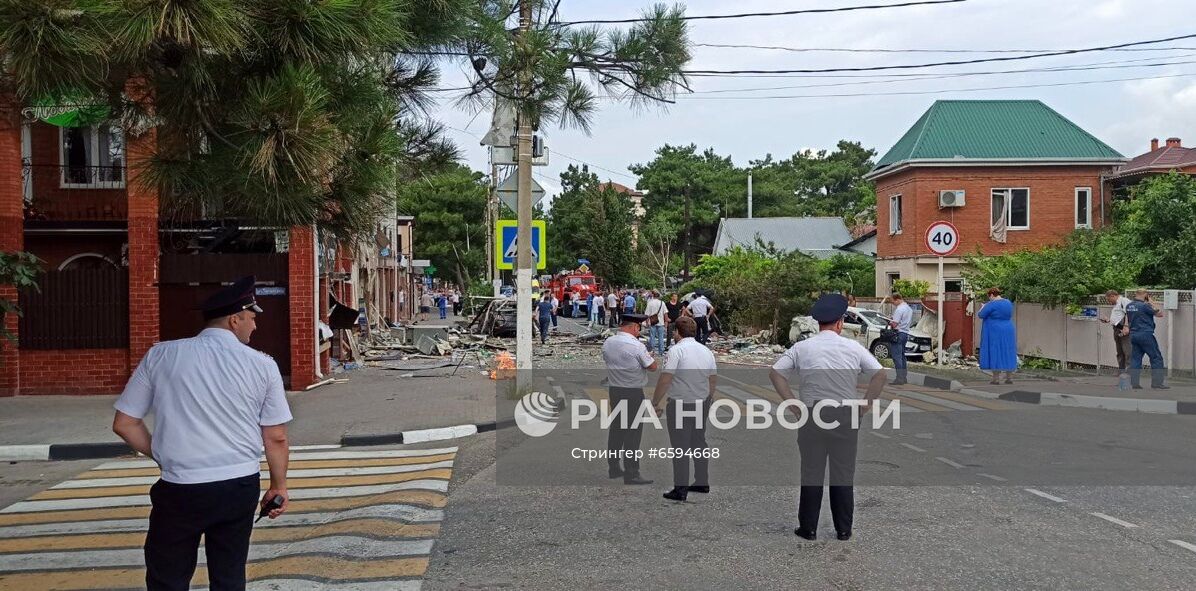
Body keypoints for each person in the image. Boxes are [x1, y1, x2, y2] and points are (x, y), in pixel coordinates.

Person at [112, 276, 291, 590]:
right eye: (251, 318)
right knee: (229, 575)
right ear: (234, 320)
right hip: (238, 486)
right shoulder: (262, 365)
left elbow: (124, 423)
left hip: (180, 488)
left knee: (167, 577)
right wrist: (279, 486)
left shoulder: (161, 355)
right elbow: (275, 437)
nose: (255, 326)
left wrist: (165, 454)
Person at [768, 293, 886, 542]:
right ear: (841, 322)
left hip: (812, 415)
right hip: (845, 414)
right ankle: (844, 529)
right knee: (843, 473)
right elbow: (879, 375)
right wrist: (865, 405)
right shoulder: (853, 347)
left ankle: (808, 528)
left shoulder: (802, 347)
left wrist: (794, 405)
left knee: (811, 472)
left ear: (818, 323)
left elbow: (776, 374)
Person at [650, 316, 717, 501]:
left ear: (677, 333)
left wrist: (655, 401)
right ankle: (702, 481)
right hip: (701, 402)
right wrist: (709, 398)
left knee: (680, 447)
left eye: (673, 332)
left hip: (680, 404)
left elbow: (666, 378)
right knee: (698, 442)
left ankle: (680, 489)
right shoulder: (706, 351)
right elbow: (712, 378)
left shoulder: (676, 351)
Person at [601, 312, 657, 485]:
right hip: (633, 393)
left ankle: (614, 467)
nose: (639, 332)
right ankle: (632, 472)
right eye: (638, 329)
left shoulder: (608, 342)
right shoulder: (636, 346)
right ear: (634, 327)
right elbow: (653, 367)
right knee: (633, 433)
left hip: (615, 391)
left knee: (617, 429)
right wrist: (650, 356)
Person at [1126, 289, 1168, 390]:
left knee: (1136, 359)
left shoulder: (1129, 306)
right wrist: (1152, 302)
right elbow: (1160, 314)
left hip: (1134, 335)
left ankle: (1134, 383)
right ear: (1145, 295)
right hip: (1145, 334)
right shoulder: (1145, 306)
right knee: (1156, 358)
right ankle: (1157, 383)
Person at [977, 288, 1017, 385]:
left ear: (991, 295)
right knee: (1008, 351)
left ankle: (996, 379)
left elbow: (981, 315)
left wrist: (983, 307)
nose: (989, 298)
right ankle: (1009, 377)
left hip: (995, 330)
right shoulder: (1008, 302)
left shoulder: (991, 304)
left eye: (989, 296)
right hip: (1008, 329)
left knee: (996, 351)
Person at [1101, 289, 1132, 373]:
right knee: (1120, 352)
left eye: (1109, 299)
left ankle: (1129, 372)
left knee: (1127, 351)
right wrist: (1108, 320)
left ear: (1113, 296)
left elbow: (1129, 313)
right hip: (1117, 328)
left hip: (1123, 329)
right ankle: (1121, 370)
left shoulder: (1124, 301)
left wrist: (1126, 326)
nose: (1109, 301)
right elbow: (1117, 318)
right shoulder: (1116, 304)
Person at [888, 293, 913, 385]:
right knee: (902, 356)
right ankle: (904, 377)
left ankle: (899, 378)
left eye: (893, 302)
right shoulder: (909, 309)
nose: (893, 304)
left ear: (897, 299)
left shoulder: (899, 309)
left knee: (896, 357)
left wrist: (889, 321)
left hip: (898, 333)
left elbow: (895, 324)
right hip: (905, 333)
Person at [644, 290, 667, 355]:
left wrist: (646, 322)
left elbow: (647, 314)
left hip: (652, 322)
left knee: (652, 337)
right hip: (661, 322)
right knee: (661, 337)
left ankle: (652, 351)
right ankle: (661, 352)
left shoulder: (650, 303)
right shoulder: (662, 303)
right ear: (659, 297)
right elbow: (665, 314)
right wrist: (666, 323)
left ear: (653, 296)